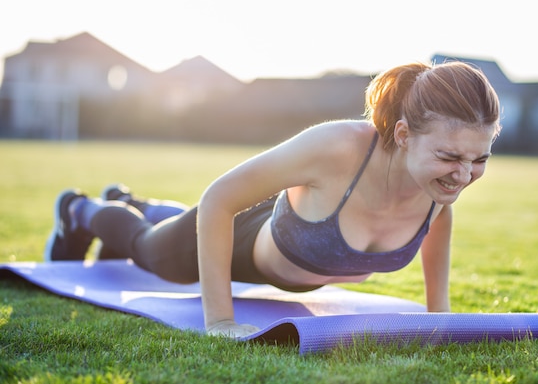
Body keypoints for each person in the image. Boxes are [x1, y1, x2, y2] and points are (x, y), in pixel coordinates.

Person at [45, 60, 501, 338]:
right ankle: (79, 210)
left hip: (284, 235)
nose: (464, 175)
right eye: (449, 156)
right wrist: (220, 320)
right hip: (245, 239)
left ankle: (131, 201)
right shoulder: (337, 148)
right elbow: (219, 198)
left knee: (165, 227)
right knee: (149, 250)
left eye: (480, 159)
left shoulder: (437, 187)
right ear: (403, 134)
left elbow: (437, 222)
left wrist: (439, 314)